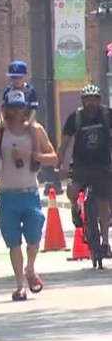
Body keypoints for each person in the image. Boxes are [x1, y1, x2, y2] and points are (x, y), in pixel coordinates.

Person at [0, 89, 58, 301]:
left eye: (21, 108)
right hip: (8, 195)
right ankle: (20, 285)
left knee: (35, 237)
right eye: (13, 108)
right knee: (13, 243)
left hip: (30, 193)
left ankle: (30, 268)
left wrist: (30, 155)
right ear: (6, 109)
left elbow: (54, 158)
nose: (17, 112)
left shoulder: (35, 132)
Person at [57, 84, 112, 257]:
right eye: (88, 100)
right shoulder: (75, 118)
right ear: (83, 101)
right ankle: (75, 207)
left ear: (99, 100)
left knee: (104, 202)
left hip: (103, 165)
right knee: (72, 189)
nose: (91, 103)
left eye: (94, 99)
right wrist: (59, 164)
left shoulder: (107, 115)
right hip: (81, 165)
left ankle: (104, 242)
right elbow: (64, 143)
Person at [0, 61, 39, 165]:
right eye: (14, 77)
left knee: (35, 129)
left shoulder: (30, 90)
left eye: (19, 77)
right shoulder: (8, 90)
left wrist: (29, 122)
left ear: (24, 77)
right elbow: (3, 108)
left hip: (26, 117)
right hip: (9, 116)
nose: (16, 80)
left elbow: (34, 109)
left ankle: (35, 156)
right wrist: (3, 120)